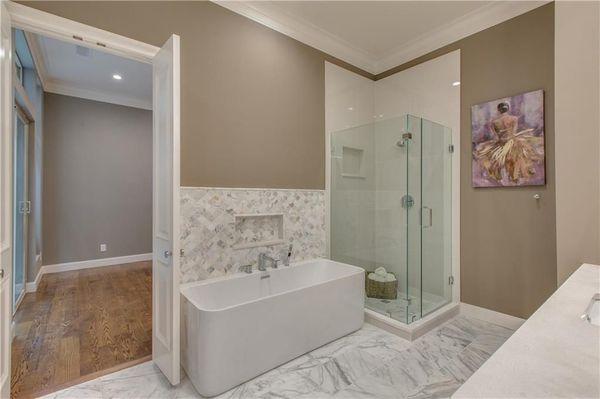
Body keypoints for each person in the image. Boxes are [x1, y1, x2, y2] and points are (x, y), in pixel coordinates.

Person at [474, 102, 543, 183]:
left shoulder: (494, 122)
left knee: (496, 161)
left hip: (500, 144)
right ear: (508, 109)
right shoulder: (514, 119)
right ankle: (515, 178)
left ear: (498, 110)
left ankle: (506, 178)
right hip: (512, 142)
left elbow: (496, 136)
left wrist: (501, 139)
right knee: (519, 159)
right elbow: (513, 132)